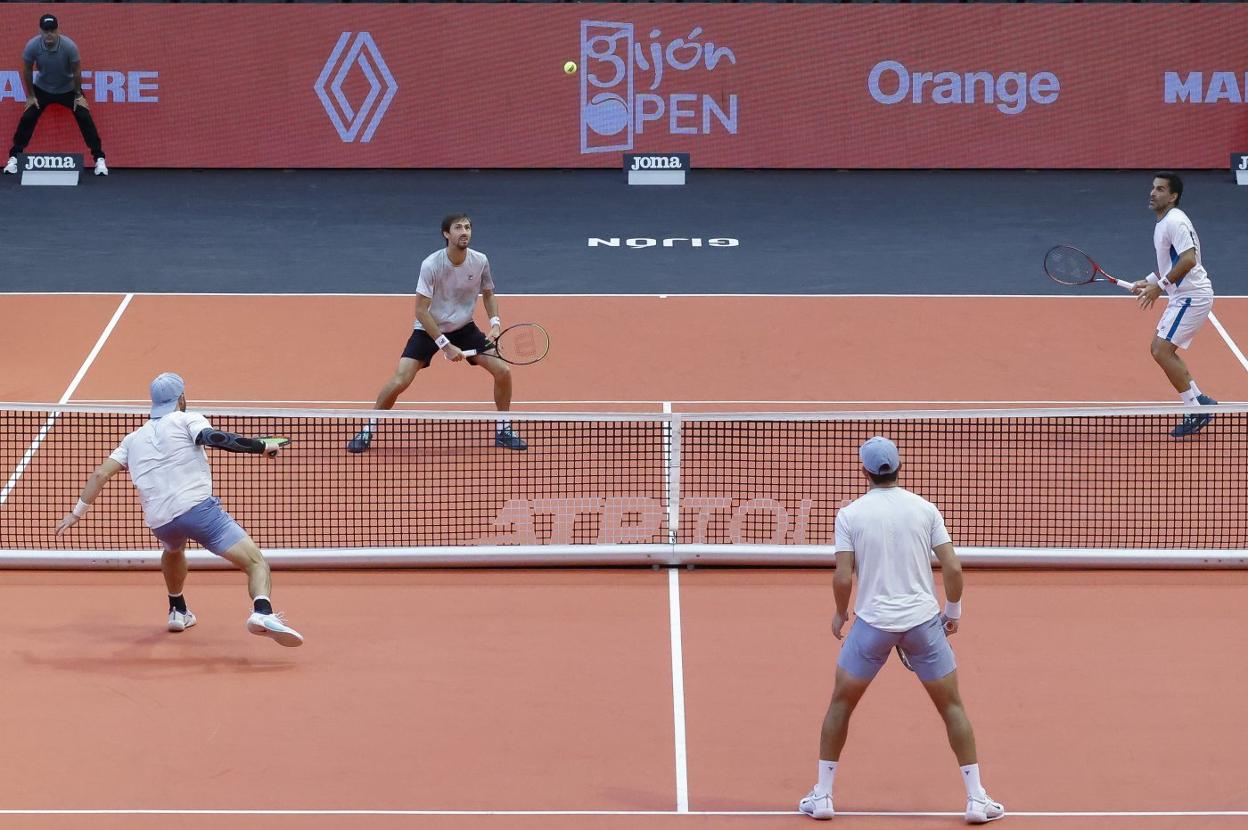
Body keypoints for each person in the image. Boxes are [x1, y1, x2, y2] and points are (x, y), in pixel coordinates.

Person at [799, 437, 1003, 824]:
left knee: (841, 703)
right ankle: (977, 799)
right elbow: (954, 569)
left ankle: (823, 796)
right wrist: (952, 613)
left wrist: (840, 614)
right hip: (924, 626)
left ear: (865, 471)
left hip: (872, 626)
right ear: (899, 466)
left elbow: (843, 576)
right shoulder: (925, 509)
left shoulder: (850, 515)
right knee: (952, 708)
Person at [55, 372, 303, 647]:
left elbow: (100, 474)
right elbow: (215, 438)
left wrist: (76, 513)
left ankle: (178, 610)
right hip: (200, 513)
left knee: (173, 549)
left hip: (160, 521)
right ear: (182, 398)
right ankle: (262, 613)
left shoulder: (132, 439)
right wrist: (260, 447)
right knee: (256, 563)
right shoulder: (188, 420)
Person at [347, 212, 526, 452]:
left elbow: (489, 293)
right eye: (458, 228)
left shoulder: (480, 260)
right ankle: (369, 429)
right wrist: (445, 345)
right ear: (446, 234)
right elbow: (421, 311)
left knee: (503, 371)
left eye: (467, 227)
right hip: (429, 328)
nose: (464, 232)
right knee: (401, 380)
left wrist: (495, 323)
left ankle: (503, 429)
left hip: (464, 328)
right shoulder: (431, 264)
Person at [1130, 172, 1217, 438]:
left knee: (1162, 350)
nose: (1153, 193)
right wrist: (1148, 281)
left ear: (1173, 196)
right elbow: (1171, 263)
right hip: (1184, 295)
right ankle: (1200, 400)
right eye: (1153, 188)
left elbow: (1189, 260)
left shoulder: (1175, 222)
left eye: (1160, 189)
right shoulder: (1165, 222)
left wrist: (1161, 286)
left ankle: (1195, 410)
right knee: (1161, 349)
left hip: (1192, 296)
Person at [4, 13, 108, 177]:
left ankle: (99, 159)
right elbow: (27, 69)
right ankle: (14, 157)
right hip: (42, 89)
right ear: (40, 31)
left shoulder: (69, 46)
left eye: (52, 30)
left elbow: (76, 70)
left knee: (84, 115)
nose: (49, 34)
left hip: (68, 90)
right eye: (46, 31)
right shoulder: (32, 46)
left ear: (58, 30)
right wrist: (31, 96)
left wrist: (78, 94)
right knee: (28, 117)